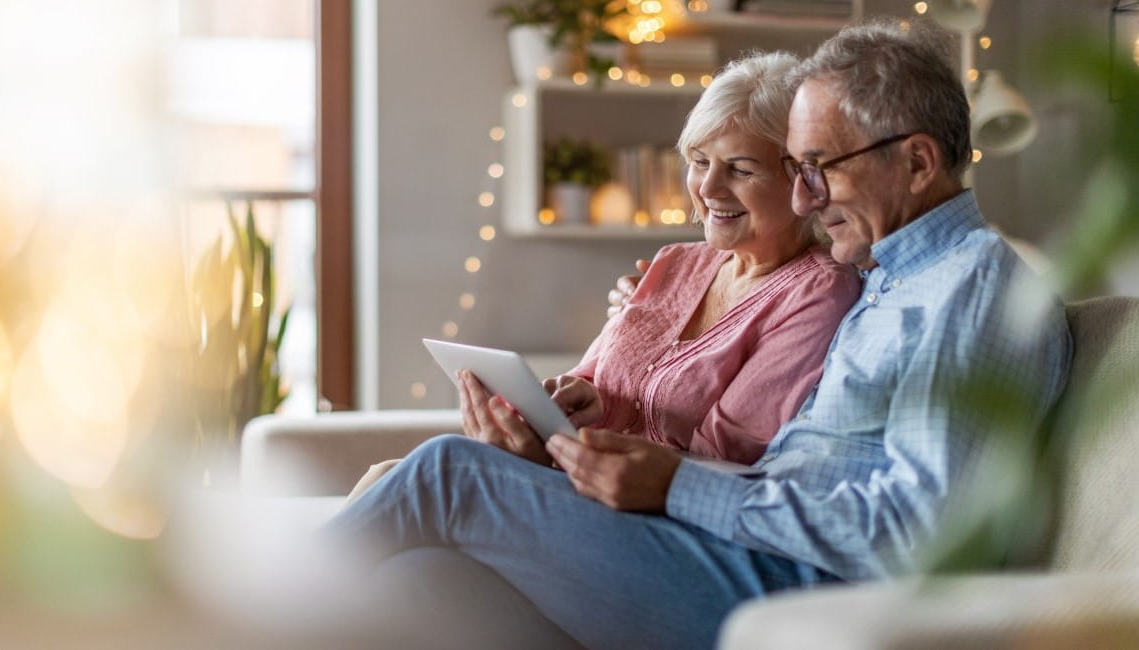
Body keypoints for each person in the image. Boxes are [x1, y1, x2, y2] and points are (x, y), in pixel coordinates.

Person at [325, 17, 1072, 650]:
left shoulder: (972, 290)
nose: (808, 197)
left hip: (796, 593)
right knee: (420, 581)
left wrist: (681, 488)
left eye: (819, 168)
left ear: (915, 162)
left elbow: (919, 538)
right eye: (799, 169)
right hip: (748, 556)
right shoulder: (891, 277)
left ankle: (219, 618)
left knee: (449, 473)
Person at [345, 52, 860, 503]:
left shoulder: (819, 290)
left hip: (648, 518)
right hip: (577, 481)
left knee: (420, 474)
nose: (707, 188)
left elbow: (725, 458)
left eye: (741, 170)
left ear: (803, 182)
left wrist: (555, 455)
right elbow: (594, 382)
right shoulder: (675, 262)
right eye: (699, 161)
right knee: (390, 476)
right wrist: (574, 404)